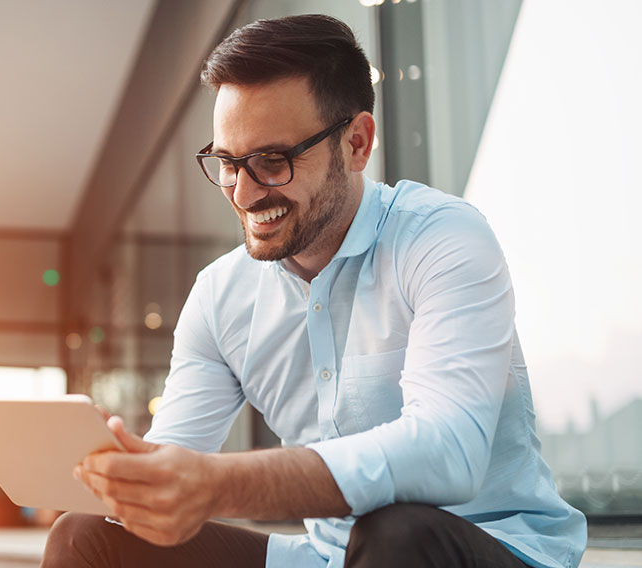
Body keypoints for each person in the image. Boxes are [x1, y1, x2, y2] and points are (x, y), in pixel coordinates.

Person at [42, 13, 586, 568]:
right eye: (228, 163)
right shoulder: (220, 295)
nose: (246, 193)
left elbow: (447, 453)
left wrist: (219, 484)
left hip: (488, 549)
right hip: (325, 557)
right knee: (84, 537)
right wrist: (130, 478)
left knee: (397, 533)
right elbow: (177, 464)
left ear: (356, 142)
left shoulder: (442, 238)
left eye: (273, 162)